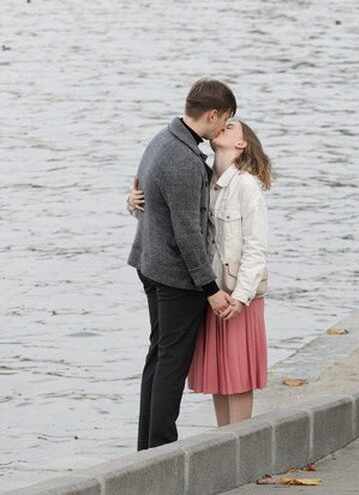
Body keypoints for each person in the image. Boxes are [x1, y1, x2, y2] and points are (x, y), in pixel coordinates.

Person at [130, 121, 272, 427]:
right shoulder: (204, 178)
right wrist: (132, 203)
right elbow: (167, 213)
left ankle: (240, 449)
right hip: (212, 295)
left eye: (231, 126)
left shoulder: (246, 186)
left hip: (235, 296)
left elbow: (256, 249)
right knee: (222, 376)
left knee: (238, 377)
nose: (223, 126)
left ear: (241, 144)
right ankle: (225, 445)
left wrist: (242, 298)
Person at [126, 79, 237, 449]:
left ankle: (147, 448)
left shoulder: (163, 139)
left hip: (150, 263)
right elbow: (188, 234)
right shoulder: (184, 160)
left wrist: (130, 199)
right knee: (172, 363)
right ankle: (161, 449)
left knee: (159, 356)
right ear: (212, 114)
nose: (224, 128)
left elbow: (146, 193)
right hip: (174, 276)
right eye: (226, 120)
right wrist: (211, 290)